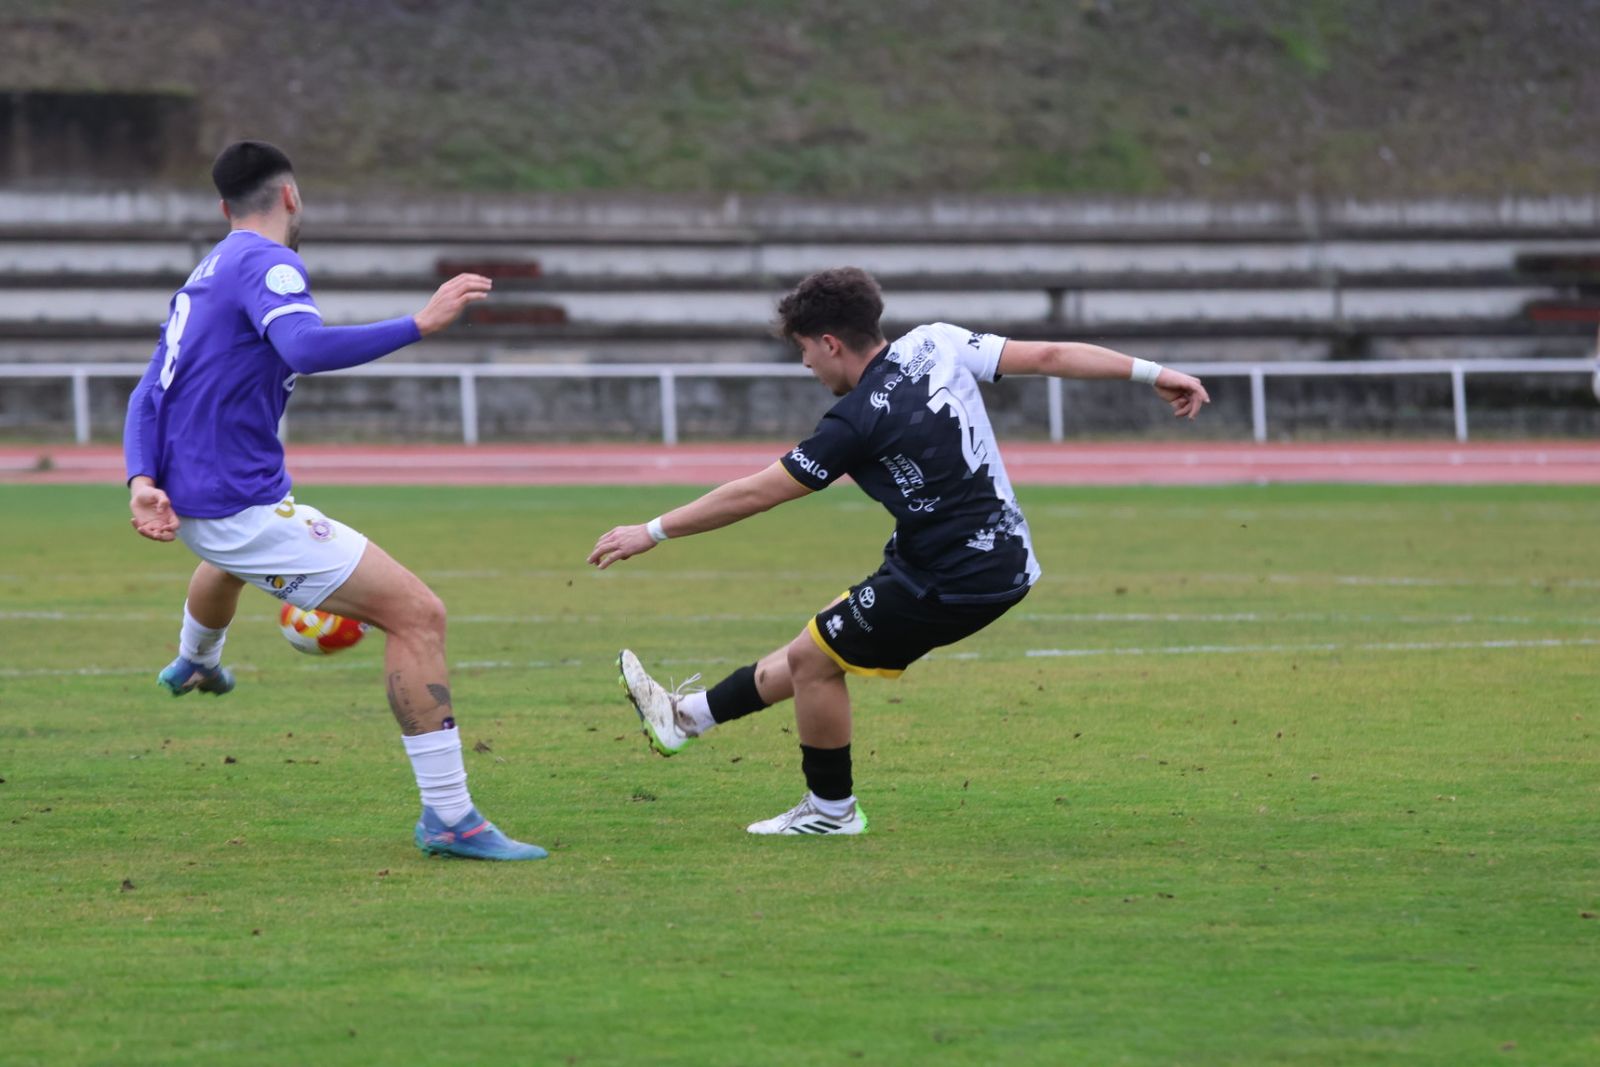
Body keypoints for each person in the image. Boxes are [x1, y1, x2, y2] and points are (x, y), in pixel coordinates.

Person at [589, 267, 1210, 836]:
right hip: (989, 555)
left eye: (804, 349)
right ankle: (685, 719)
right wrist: (1155, 372)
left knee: (813, 661)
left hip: (956, 577)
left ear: (830, 342)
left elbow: (758, 492)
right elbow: (1046, 354)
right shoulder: (935, 342)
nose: (805, 365)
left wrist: (653, 530)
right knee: (819, 645)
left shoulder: (853, 423)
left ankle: (831, 811)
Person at [124, 140, 545, 861]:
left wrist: (140, 478)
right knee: (419, 614)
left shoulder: (208, 268)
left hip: (200, 500)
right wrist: (421, 322)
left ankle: (196, 659)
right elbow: (306, 349)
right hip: (235, 503)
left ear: (225, 207)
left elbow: (148, 385)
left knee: (227, 561)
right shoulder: (270, 262)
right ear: (290, 196)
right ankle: (450, 816)